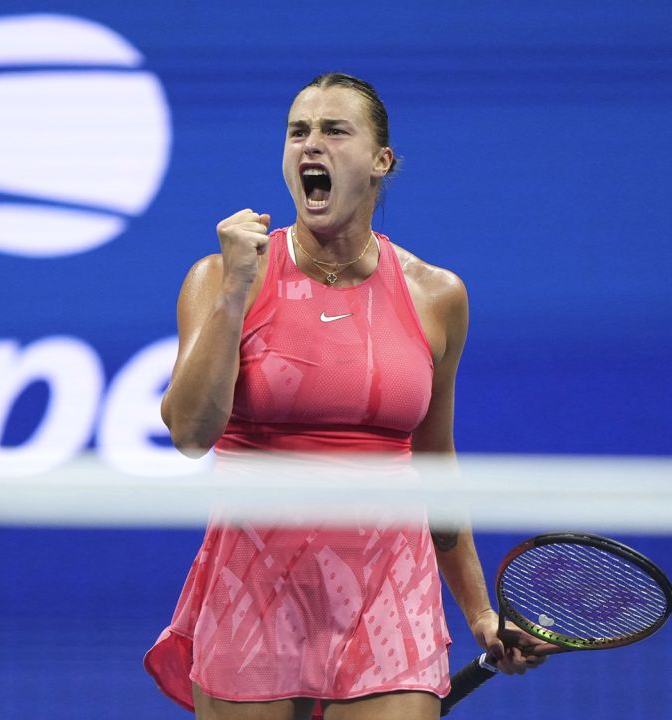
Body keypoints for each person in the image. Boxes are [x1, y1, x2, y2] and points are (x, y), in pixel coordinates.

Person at [144, 73, 550, 720]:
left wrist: (478, 611)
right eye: (298, 131)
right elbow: (191, 433)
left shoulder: (436, 296)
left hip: (390, 589)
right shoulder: (223, 277)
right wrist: (232, 294)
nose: (312, 145)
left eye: (335, 130)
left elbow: (435, 464)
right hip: (254, 584)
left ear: (381, 161)